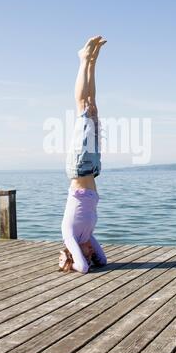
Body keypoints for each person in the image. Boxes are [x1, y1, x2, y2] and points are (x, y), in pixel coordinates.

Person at [59, 36, 107, 273]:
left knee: (82, 108)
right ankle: (92, 62)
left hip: (79, 166)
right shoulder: (87, 235)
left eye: (87, 253)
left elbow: (82, 267)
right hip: (93, 168)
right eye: (90, 253)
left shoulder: (69, 234)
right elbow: (104, 260)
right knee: (93, 106)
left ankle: (82, 61)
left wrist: (71, 259)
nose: (91, 250)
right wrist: (93, 255)